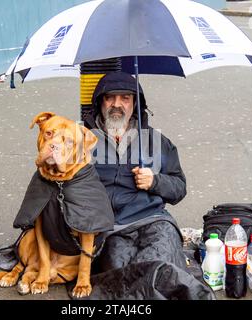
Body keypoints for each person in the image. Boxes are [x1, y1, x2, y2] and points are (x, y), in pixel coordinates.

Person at [79, 71, 214, 300]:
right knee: (121, 267)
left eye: (125, 98)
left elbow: (179, 188)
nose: (117, 105)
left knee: (160, 257)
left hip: (153, 220)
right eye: (110, 97)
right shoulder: (82, 141)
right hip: (110, 228)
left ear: (135, 103)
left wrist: (155, 181)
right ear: (100, 102)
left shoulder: (156, 141)